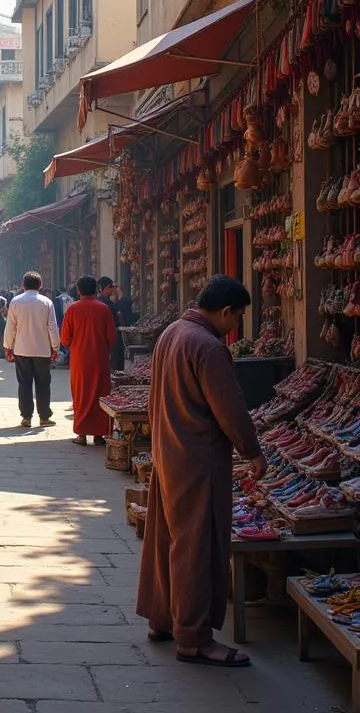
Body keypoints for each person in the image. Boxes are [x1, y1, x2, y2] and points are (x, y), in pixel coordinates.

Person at [136, 275, 264, 668]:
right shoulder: (209, 347)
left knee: (167, 538)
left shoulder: (173, 332)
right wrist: (252, 451)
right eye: (238, 317)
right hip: (199, 459)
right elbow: (230, 407)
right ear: (225, 311)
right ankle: (193, 639)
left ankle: (163, 618)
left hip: (169, 451)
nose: (237, 326)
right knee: (197, 546)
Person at [61, 275, 116, 446]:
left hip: (79, 359)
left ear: (78, 290)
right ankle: (99, 434)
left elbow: (65, 338)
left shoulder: (72, 309)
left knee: (81, 394)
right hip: (100, 358)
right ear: (96, 289)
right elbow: (112, 337)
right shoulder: (103, 308)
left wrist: (73, 345)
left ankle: (82, 434)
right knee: (100, 393)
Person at [3, 270, 60, 428]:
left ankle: (26, 417)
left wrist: (8, 346)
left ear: (23, 285)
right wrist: (55, 347)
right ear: (40, 286)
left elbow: (10, 327)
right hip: (42, 350)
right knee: (43, 383)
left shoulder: (15, 301)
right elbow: (52, 327)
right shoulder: (46, 302)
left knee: (24, 383)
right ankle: (44, 416)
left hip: (22, 349)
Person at [98, 276, 126, 371]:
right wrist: (121, 297)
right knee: (114, 362)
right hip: (110, 335)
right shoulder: (103, 302)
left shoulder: (106, 300)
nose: (113, 289)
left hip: (111, 334)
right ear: (105, 288)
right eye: (111, 287)